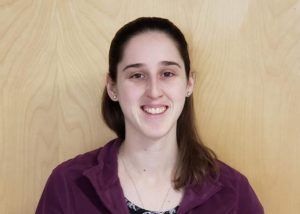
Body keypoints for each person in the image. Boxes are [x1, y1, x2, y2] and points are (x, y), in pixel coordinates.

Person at [36, 17, 264, 214]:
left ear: (189, 84)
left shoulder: (235, 194)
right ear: (113, 88)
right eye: (137, 75)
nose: (154, 91)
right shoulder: (68, 185)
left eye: (167, 73)